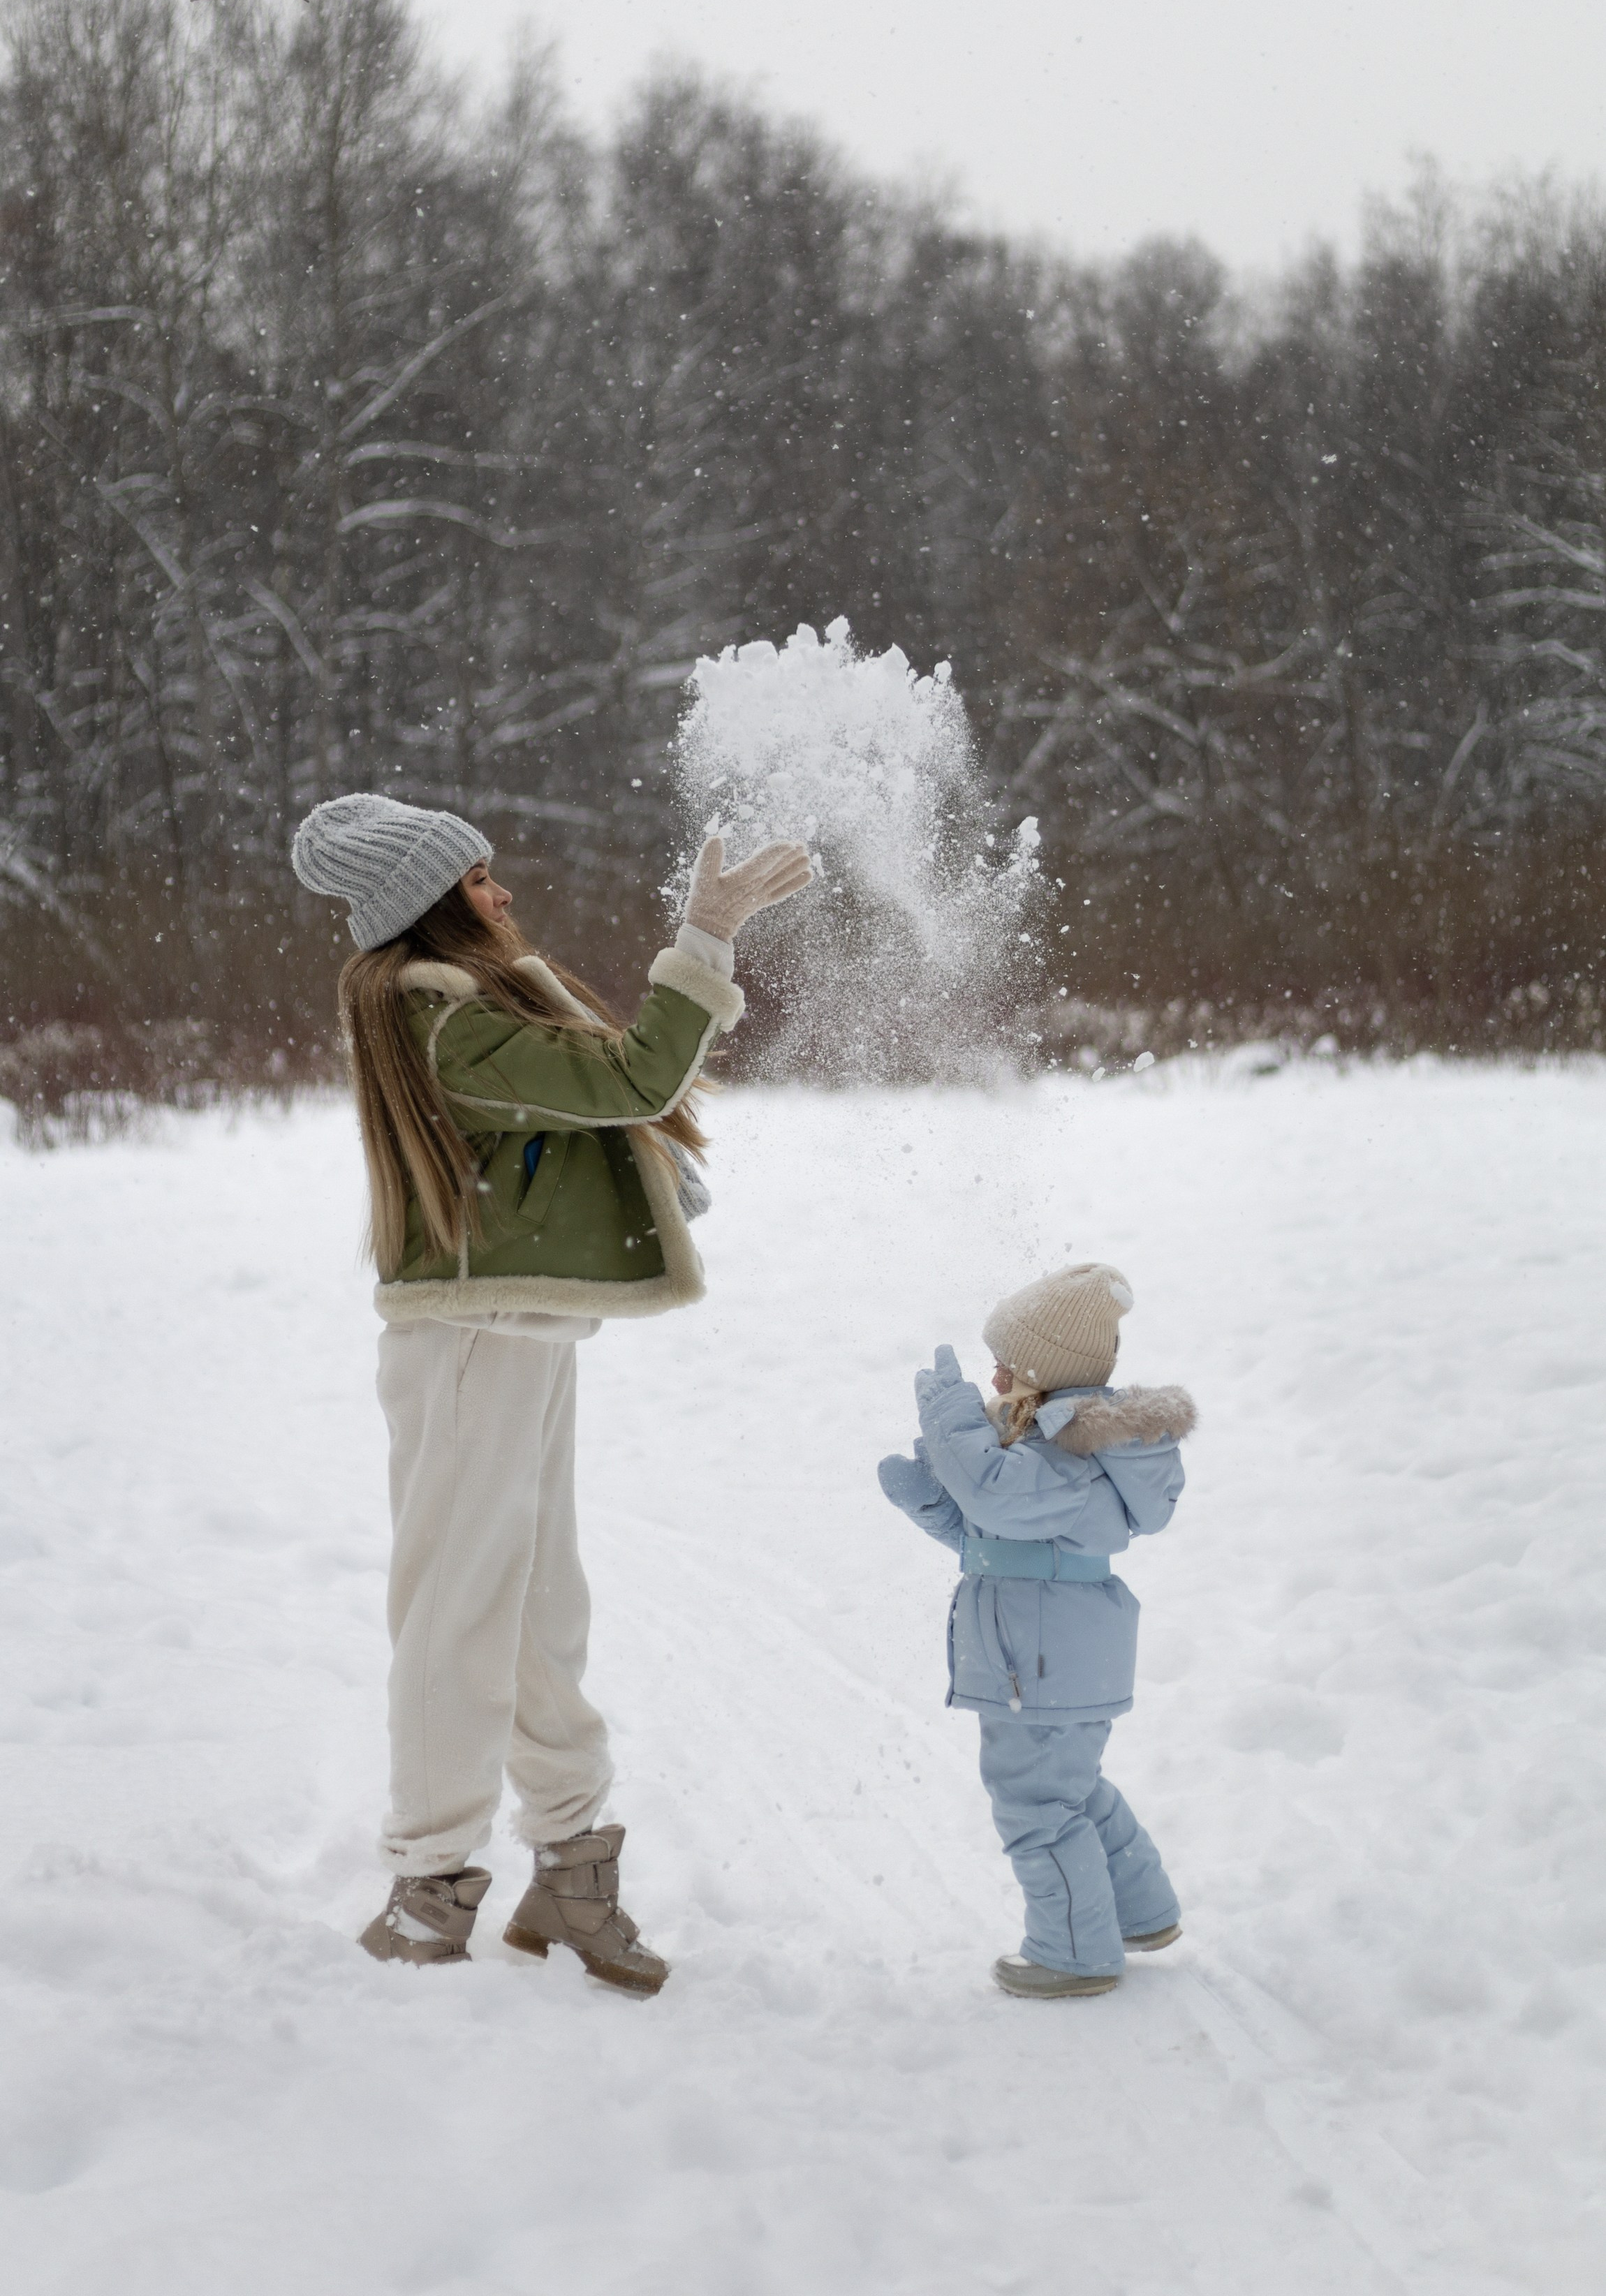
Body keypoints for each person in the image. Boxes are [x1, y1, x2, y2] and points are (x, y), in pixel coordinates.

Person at [290, 790, 810, 1990]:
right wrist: (706, 937)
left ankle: (571, 1869)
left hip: (521, 1334)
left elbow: (623, 1087)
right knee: (456, 1615)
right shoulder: (443, 1020)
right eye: (478, 880)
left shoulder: (474, 1006)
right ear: (434, 905)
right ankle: (430, 1888)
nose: (503, 891)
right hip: (469, 1340)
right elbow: (633, 1076)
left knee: (538, 1613)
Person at [878, 1260, 1195, 1998]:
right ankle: (1137, 1911)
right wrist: (931, 1505)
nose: (991, 1384)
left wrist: (944, 1414)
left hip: (1044, 1663)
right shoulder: (1053, 1450)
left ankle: (1074, 1952)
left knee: (1035, 1806)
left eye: (1002, 1367)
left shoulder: (1067, 1449)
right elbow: (1001, 1538)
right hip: (1056, 1654)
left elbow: (997, 1497)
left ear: (1040, 1370)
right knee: (1068, 1791)